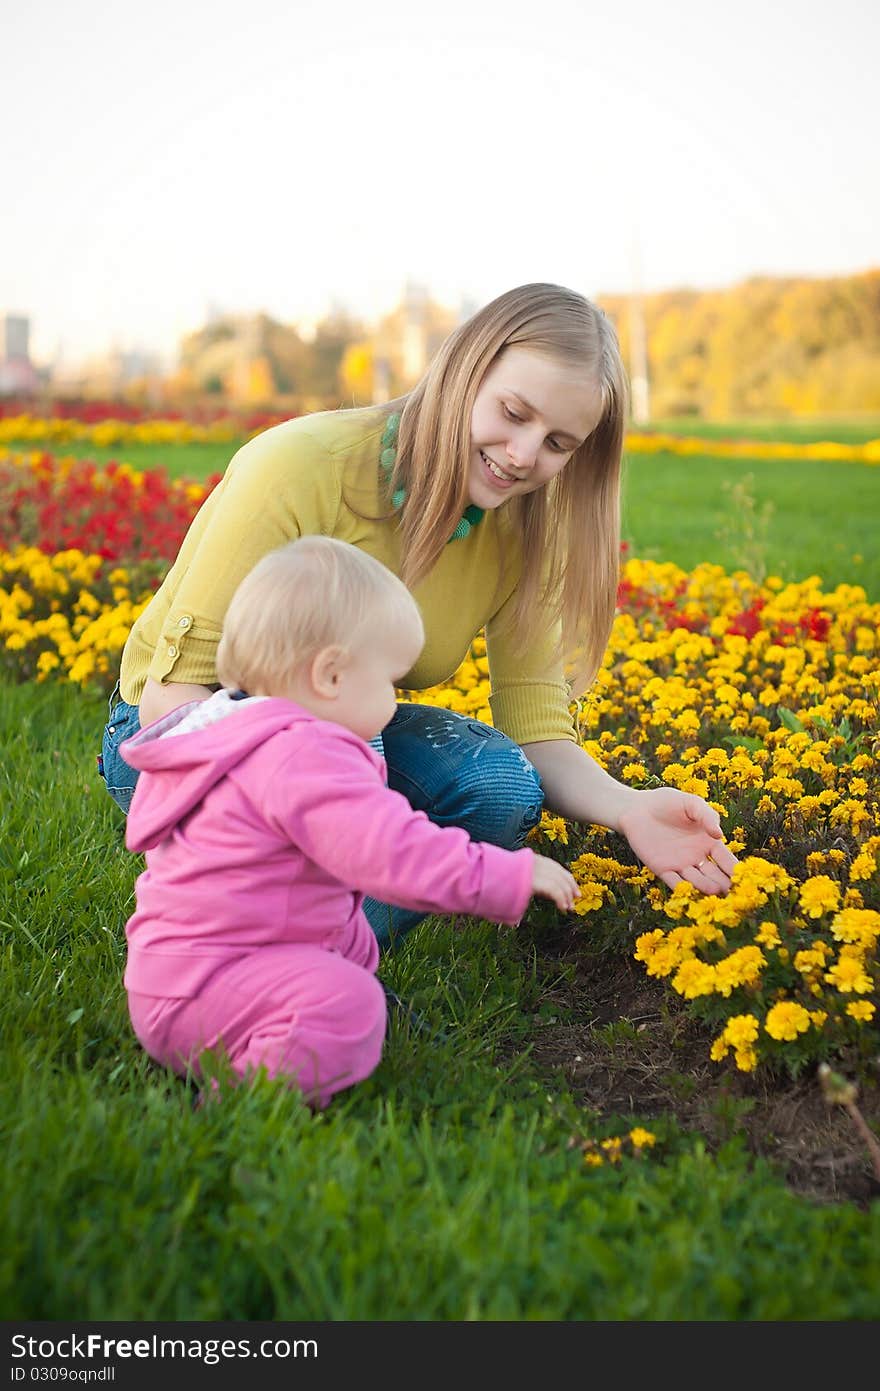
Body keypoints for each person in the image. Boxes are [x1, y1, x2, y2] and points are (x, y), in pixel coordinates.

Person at [101, 282, 736, 954]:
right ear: (464, 370)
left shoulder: (524, 531)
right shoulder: (298, 466)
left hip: (338, 739)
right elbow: (178, 695)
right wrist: (313, 798)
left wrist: (630, 807)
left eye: (557, 442)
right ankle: (236, 956)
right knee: (343, 743)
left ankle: (328, 955)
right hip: (172, 738)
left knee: (496, 785)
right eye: (513, 412)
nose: (523, 454)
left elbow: (537, 735)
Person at [120, 537, 580, 1106]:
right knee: (348, 1003)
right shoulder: (302, 757)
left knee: (347, 943)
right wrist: (507, 875)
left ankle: (266, 1038)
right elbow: (394, 853)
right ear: (331, 675)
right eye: (389, 681)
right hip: (214, 990)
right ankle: (243, 1096)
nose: (393, 700)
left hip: (181, 981)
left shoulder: (230, 730)